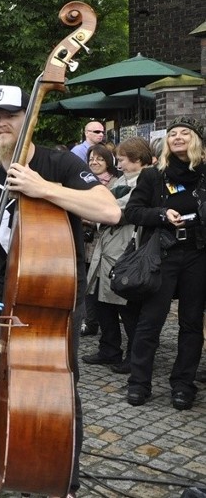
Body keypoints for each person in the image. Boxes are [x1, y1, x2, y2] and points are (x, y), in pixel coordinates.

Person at [0, 85, 120, 498]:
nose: (1, 123)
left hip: (56, 291)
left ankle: (63, 479)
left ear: (29, 117)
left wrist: (44, 188)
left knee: (59, 385)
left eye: (10, 114)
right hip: (3, 288)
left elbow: (109, 210)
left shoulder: (58, 163)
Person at [122, 118, 206, 411]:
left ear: (196, 140)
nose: (178, 137)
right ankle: (139, 382)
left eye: (185, 132)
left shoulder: (204, 174)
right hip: (163, 254)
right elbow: (132, 212)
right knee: (150, 321)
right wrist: (161, 214)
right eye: (173, 133)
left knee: (192, 323)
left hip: (198, 255)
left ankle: (183, 385)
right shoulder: (153, 176)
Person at [83, 137, 152, 374]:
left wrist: (94, 210)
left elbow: (118, 211)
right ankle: (109, 348)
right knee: (103, 302)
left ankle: (135, 356)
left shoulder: (146, 181)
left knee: (126, 306)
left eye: (122, 159)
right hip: (107, 247)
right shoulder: (123, 180)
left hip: (126, 248)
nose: (119, 164)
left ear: (137, 159)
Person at [80, 145, 121, 337]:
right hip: (87, 242)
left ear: (109, 161)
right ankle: (90, 322)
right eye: (91, 159)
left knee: (103, 288)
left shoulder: (115, 183)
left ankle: (105, 331)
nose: (94, 162)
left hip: (106, 242)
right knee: (88, 284)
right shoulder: (83, 181)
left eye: (99, 159)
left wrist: (87, 217)